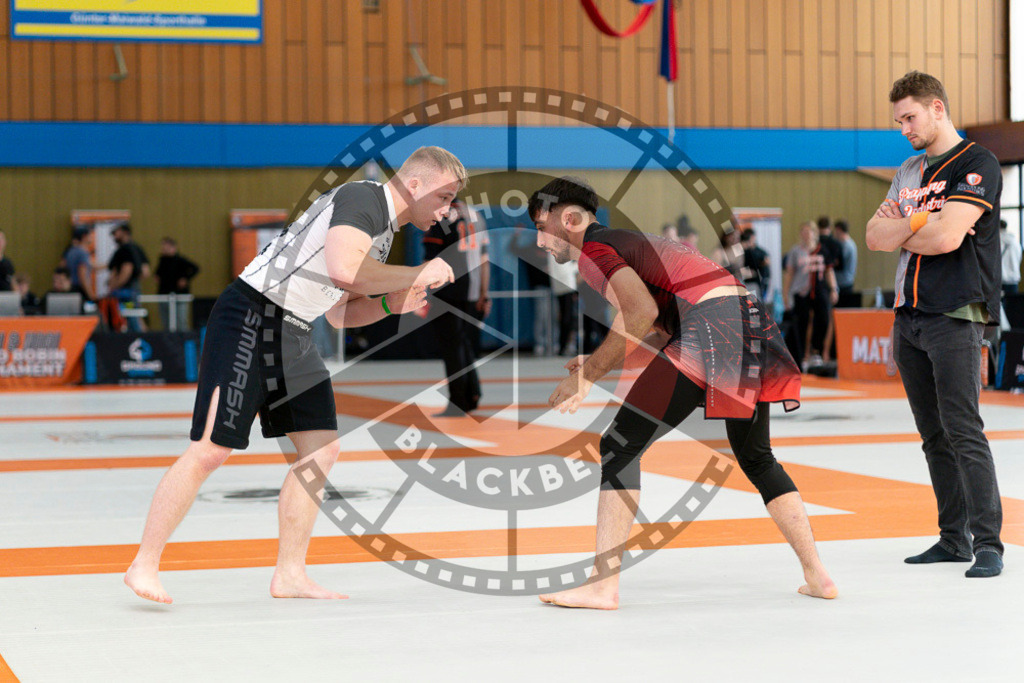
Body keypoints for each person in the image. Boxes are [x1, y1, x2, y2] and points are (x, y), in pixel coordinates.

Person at [124, 146, 465, 604]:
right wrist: (417, 271)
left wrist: (390, 303)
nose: (446, 211)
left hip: (295, 329)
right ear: (416, 185)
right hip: (251, 315)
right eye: (444, 198)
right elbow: (346, 270)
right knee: (210, 450)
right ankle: (143, 562)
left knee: (321, 450)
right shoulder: (364, 198)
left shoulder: (382, 236)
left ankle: (290, 574)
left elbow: (342, 316)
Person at [527, 176, 837, 609]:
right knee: (756, 456)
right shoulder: (629, 241)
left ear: (571, 219)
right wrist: (599, 360)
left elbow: (641, 314)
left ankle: (602, 586)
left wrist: (588, 376)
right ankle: (817, 574)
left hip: (710, 326)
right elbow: (658, 328)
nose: (540, 240)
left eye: (541, 225)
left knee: (618, 446)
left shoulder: (594, 251)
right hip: (747, 321)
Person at [866, 71, 1004, 578]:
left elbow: (949, 239)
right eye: (898, 120)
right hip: (909, 318)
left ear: (938, 109)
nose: (904, 127)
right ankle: (953, 538)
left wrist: (913, 228)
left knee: (964, 429)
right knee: (932, 436)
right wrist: (922, 222)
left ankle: (989, 542)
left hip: (956, 314)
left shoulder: (978, 163)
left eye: (910, 117)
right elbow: (875, 235)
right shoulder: (908, 170)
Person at [422, 197, 490, 417]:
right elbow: (485, 259)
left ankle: (458, 400)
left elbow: (430, 259)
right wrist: (484, 294)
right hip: (472, 290)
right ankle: (472, 394)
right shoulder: (476, 215)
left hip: (448, 289)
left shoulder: (439, 216)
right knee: (464, 344)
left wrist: (423, 292)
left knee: (452, 347)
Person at [783, 222, 838, 368]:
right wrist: (785, 294)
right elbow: (789, 274)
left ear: (815, 233)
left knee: (823, 320)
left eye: (809, 231)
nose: (806, 234)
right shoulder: (795, 252)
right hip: (801, 292)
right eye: (804, 231)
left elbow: (829, 271)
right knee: (802, 323)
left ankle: (816, 351)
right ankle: (800, 356)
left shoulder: (822, 250)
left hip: (819, 290)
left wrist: (833, 288)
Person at [107, 224, 151, 331]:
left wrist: (116, 285)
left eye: (116, 233)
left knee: (130, 317)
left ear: (124, 232)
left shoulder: (125, 250)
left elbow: (127, 269)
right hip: (133, 289)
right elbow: (145, 272)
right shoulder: (137, 248)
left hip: (124, 291)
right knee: (136, 316)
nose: (114, 236)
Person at [154, 237, 200, 330]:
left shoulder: (180, 260)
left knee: (181, 321)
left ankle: (184, 342)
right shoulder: (162, 261)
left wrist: (185, 278)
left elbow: (196, 268)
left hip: (179, 294)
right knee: (166, 322)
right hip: (165, 294)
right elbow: (157, 274)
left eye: (166, 246)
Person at [64, 228, 96, 302]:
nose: (92, 238)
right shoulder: (82, 253)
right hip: (80, 289)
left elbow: (91, 266)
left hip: (71, 288)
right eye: (90, 235)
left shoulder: (71, 251)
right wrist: (91, 295)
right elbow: (82, 276)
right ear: (85, 236)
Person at [740, 228, 770, 300]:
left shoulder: (759, 251)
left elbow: (766, 261)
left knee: (757, 302)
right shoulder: (744, 251)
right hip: (749, 281)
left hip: (759, 281)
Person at [833, 219, 858, 300]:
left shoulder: (846, 246)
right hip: (845, 281)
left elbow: (838, 262)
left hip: (844, 283)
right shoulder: (849, 243)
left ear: (838, 230)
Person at [1000, 219, 1021, 297]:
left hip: (1000, 280)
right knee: (1013, 306)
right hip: (1014, 279)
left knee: (1000, 307)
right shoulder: (1016, 242)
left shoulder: (997, 241)